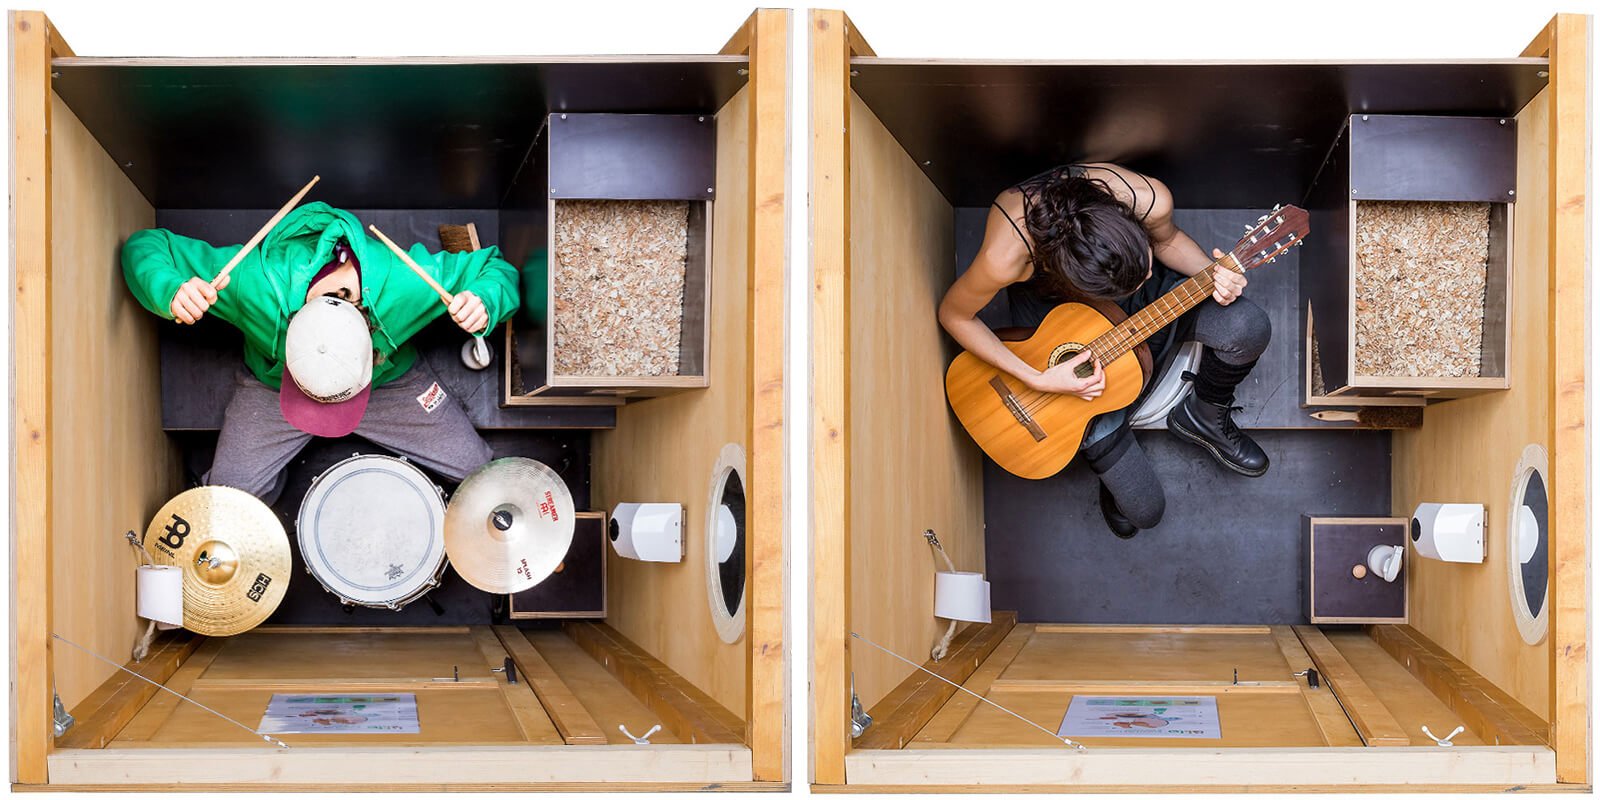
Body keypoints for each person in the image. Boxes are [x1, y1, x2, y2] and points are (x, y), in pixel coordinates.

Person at [938, 164, 1271, 539]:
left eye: (1145, 266)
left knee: (1249, 326)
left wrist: (1215, 274)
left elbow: (1168, 241)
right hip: (1056, 324)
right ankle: (1098, 422)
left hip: (1146, 310)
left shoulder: (1146, 197)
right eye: (1134, 282)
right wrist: (1038, 379)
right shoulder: (1006, 256)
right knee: (1145, 512)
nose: (1145, 276)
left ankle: (1203, 415)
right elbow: (954, 314)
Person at [123, 201, 519, 504]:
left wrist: (484, 301)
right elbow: (147, 245)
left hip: (386, 385)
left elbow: (493, 267)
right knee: (228, 506)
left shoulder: (406, 284)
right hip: (277, 388)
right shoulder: (249, 283)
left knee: (482, 475)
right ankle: (271, 483)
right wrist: (171, 291)